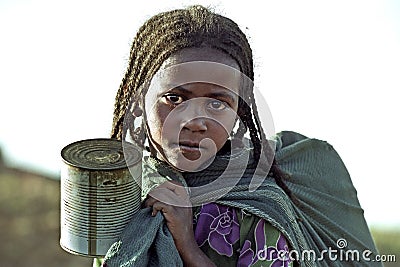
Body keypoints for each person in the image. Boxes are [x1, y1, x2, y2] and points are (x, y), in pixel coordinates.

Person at [96, 5, 381, 267]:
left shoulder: (257, 213)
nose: (195, 122)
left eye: (217, 104)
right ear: (138, 101)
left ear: (239, 111)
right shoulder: (124, 196)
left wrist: (187, 246)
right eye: (174, 98)